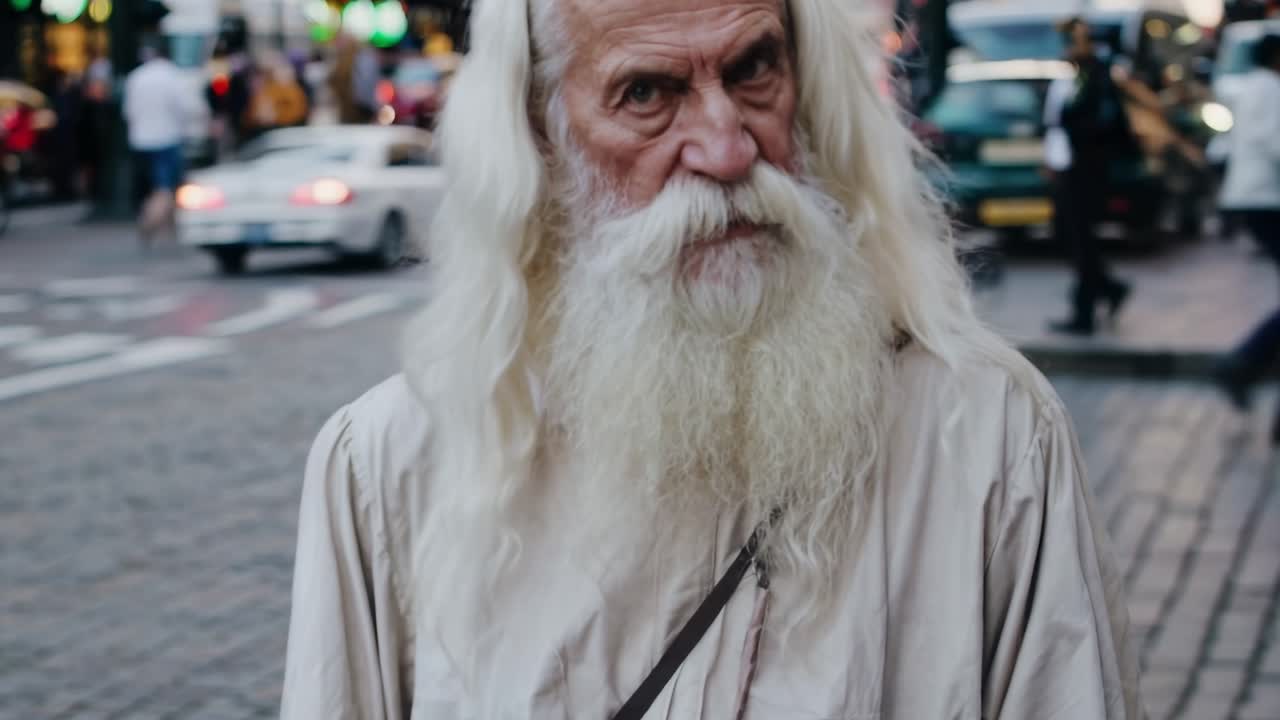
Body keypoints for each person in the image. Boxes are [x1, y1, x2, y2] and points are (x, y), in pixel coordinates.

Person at [281, 2, 1141, 718]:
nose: (728, 151)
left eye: (752, 71)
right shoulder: (388, 469)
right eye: (646, 93)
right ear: (542, 140)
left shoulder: (986, 434)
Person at [1047, 17, 1133, 336]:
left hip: (1087, 171)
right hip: (1073, 167)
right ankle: (1108, 289)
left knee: (1082, 240)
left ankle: (1085, 310)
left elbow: (1100, 127)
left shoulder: (1098, 79)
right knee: (1075, 238)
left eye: (1073, 41)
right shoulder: (1079, 80)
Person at [1213, 34, 1280, 441]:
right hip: (1268, 199)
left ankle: (1244, 365)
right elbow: (1274, 141)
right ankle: (1242, 362)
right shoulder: (1269, 88)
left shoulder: (1254, 87)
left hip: (1256, 197)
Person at [123, 40, 206, 246]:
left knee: (154, 187)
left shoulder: (136, 76)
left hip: (140, 141)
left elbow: (128, 112)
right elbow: (187, 108)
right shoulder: (172, 76)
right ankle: (150, 222)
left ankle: (170, 230)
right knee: (165, 188)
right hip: (166, 139)